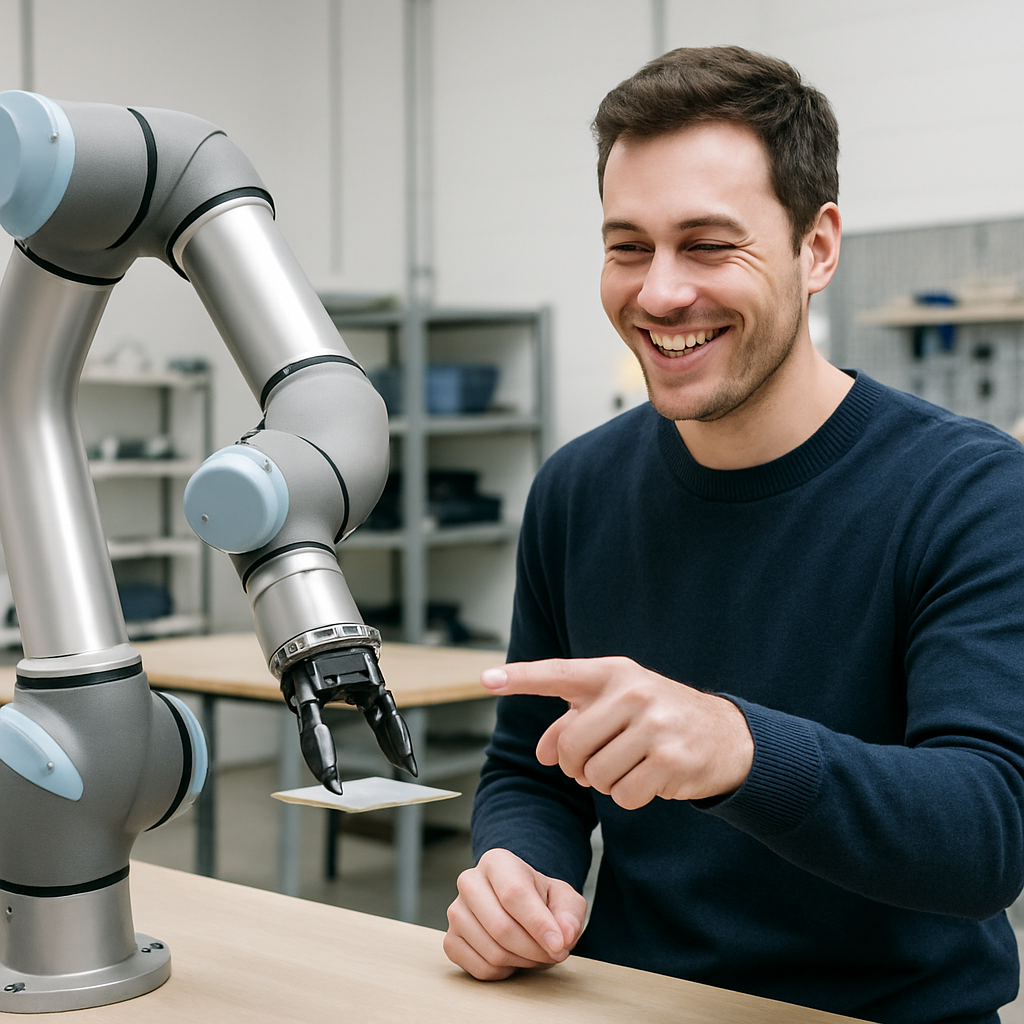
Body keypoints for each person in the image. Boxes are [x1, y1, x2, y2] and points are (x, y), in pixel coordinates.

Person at [441, 45, 1024, 1023]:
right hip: (631, 1000)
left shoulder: (968, 491)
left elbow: (987, 832)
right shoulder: (575, 489)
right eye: (627, 246)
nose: (659, 293)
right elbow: (528, 769)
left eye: (708, 245)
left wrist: (737, 746)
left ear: (818, 246)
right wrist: (517, 871)